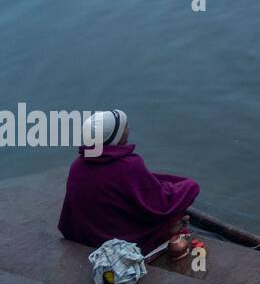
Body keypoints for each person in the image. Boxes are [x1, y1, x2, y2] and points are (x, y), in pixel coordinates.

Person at [57, 110, 200, 257]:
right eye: (125, 127)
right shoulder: (129, 165)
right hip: (117, 239)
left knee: (159, 181)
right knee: (189, 187)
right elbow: (159, 205)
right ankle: (171, 229)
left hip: (85, 234)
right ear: (115, 136)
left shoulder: (78, 165)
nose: (129, 129)